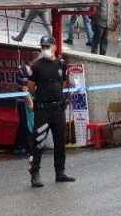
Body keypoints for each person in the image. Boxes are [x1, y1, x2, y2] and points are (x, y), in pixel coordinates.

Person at [26, 36, 76, 187]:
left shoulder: (61, 64)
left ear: (54, 47)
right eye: (43, 47)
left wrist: (58, 97)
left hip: (58, 109)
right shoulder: (37, 66)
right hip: (43, 110)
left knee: (60, 142)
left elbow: (63, 83)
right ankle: (35, 173)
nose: (45, 49)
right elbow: (30, 86)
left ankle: (60, 172)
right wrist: (42, 96)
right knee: (39, 141)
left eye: (47, 46)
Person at [14, 51, 42, 156]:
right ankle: (31, 149)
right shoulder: (25, 70)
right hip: (24, 101)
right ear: (34, 60)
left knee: (23, 124)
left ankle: (19, 147)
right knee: (28, 125)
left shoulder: (27, 69)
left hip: (24, 100)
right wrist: (30, 102)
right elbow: (24, 88)